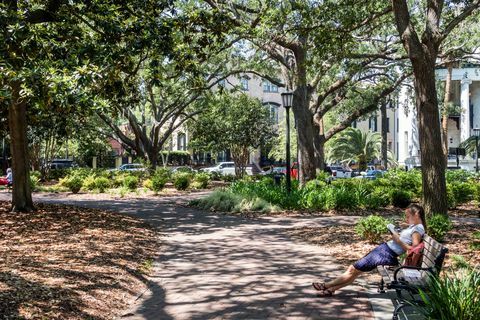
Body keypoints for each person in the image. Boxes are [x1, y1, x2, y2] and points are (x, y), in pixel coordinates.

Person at [312, 204, 426, 296]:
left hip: (385, 254)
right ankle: (331, 289)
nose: (406, 219)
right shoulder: (415, 227)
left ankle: (326, 285)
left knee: (353, 269)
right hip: (384, 251)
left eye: (407, 216)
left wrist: (397, 239)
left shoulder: (417, 229)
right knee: (356, 271)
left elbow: (414, 250)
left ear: (416, 214)